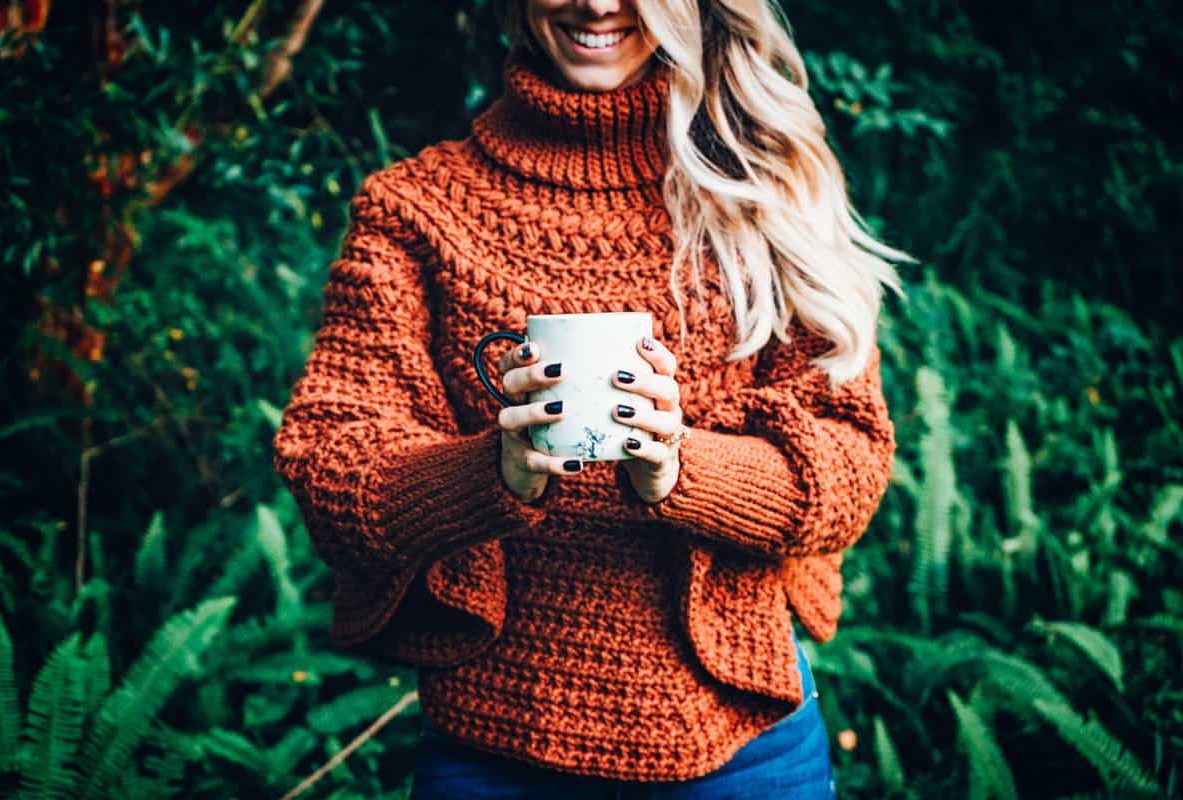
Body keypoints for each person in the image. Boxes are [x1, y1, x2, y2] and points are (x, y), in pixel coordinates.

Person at [272, 0, 911, 797]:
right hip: (493, 751)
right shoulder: (413, 212)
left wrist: (683, 474)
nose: (600, 3)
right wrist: (493, 474)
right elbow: (336, 474)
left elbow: (848, 467)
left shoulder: (761, 193)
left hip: (746, 746)